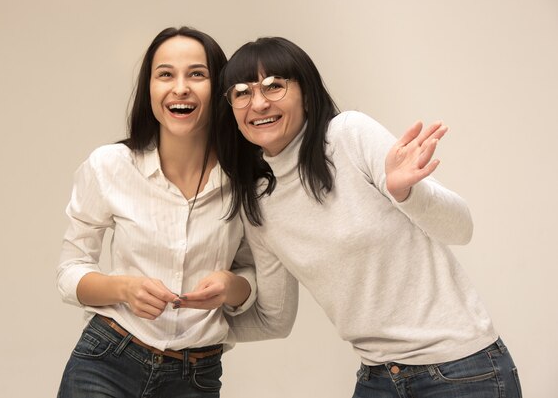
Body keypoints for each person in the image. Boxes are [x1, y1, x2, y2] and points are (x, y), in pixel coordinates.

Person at [217, 37, 523, 397]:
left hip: (461, 371)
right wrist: (188, 334)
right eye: (241, 92)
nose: (259, 102)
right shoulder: (260, 203)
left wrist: (406, 194)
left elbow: (462, 227)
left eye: (274, 86)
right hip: (378, 379)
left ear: (306, 91)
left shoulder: (348, 135)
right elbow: (275, 318)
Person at [56, 27, 259, 398]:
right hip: (107, 359)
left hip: (195, 376)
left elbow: (249, 271)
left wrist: (232, 287)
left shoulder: (245, 179)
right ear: (149, 88)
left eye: (197, 74)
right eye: (165, 74)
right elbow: (70, 271)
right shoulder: (110, 166)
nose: (180, 87)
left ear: (219, 89)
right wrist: (123, 288)